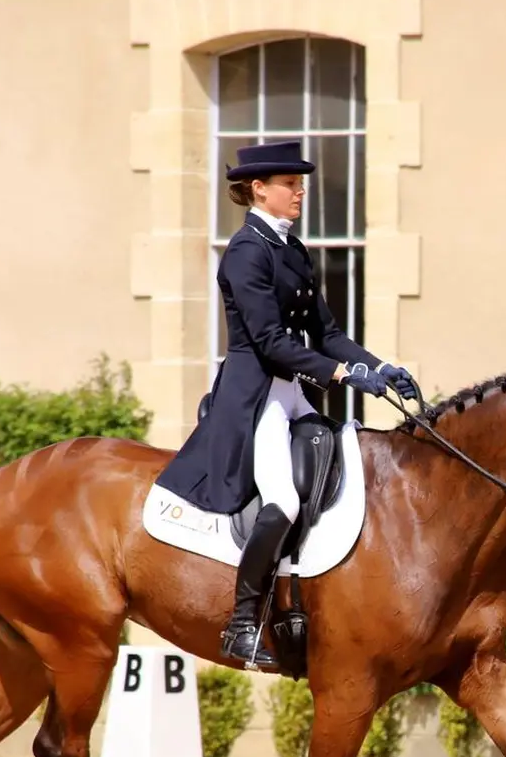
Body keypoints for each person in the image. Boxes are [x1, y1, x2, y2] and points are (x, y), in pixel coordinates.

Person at [155, 139, 418, 669]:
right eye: (290, 184)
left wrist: (378, 366)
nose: (300, 192)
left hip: (295, 392)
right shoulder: (247, 251)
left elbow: (326, 332)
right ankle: (243, 625)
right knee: (286, 501)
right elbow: (272, 341)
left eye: (300, 184)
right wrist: (344, 375)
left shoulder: (292, 249)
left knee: (350, 479)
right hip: (256, 399)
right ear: (259, 188)